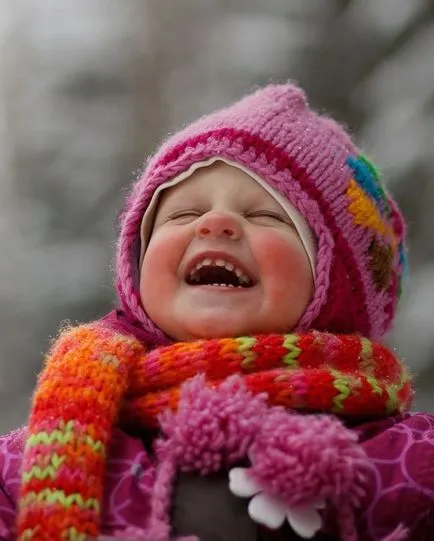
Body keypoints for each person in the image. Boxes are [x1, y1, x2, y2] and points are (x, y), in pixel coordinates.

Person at [0, 83, 432, 541]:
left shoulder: (406, 462)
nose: (215, 223)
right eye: (182, 213)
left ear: (340, 290)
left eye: (268, 215)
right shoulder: (25, 467)